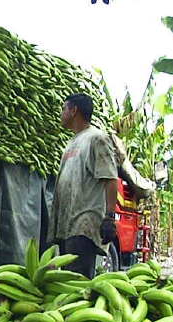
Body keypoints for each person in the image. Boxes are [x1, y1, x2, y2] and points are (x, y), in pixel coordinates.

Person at [49, 93, 118, 279]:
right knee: (66, 280)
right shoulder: (72, 142)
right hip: (66, 224)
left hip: (83, 223)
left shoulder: (96, 138)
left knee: (77, 281)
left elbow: (110, 178)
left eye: (64, 109)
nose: (61, 113)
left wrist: (110, 217)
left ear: (74, 111)